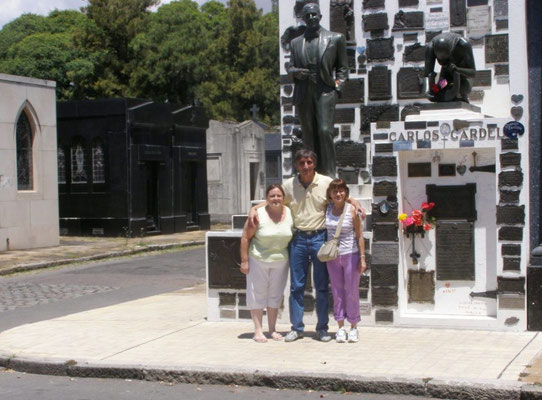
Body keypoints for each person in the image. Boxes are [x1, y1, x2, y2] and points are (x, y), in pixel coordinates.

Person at [249, 149, 363, 343]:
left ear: (314, 164)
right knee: (297, 286)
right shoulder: (289, 185)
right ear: (296, 165)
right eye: (301, 163)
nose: (306, 166)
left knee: (321, 286)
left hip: (320, 239)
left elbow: (341, 193)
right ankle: (297, 328)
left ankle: (322, 329)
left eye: (309, 162)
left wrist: (355, 201)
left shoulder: (326, 182)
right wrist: (255, 207)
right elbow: (273, 198)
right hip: (298, 240)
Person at [288, 2, 348, 176]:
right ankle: (310, 173)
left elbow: (342, 69)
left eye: (314, 14)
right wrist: (296, 72)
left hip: (325, 90)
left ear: (320, 16)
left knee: (324, 130)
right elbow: (290, 67)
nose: (311, 18)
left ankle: (329, 174)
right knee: (308, 133)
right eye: (307, 15)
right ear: (303, 19)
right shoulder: (296, 43)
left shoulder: (335, 38)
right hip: (304, 90)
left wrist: (337, 88)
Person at [240, 184, 293, 343]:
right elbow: (245, 237)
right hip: (258, 260)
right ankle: (258, 330)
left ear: (283, 198)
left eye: (278, 196)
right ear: (266, 198)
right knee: (257, 294)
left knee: (275, 295)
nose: (275, 199)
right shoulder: (258, 215)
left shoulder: (289, 211)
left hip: (280, 261)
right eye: (272, 196)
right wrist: (244, 261)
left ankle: (272, 329)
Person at [325, 178, 366, 343]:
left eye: (341, 190)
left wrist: (362, 258)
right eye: (335, 191)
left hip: (351, 254)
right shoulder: (326, 209)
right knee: (336, 291)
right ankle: (340, 326)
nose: (338, 194)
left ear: (346, 193)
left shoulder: (352, 210)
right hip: (333, 256)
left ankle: (354, 326)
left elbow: (359, 235)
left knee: (351, 291)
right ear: (330, 193)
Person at [424, 32, 476, 103]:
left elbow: (473, 73)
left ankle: (459, 96)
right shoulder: (430, 48)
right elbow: (429, 74)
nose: (444, 62)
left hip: (463, 79)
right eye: (441, 60)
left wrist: (457, 70)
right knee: (438, 90)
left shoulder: (464, 45)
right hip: (445, 81)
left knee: (461, 90)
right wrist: (431, 91)